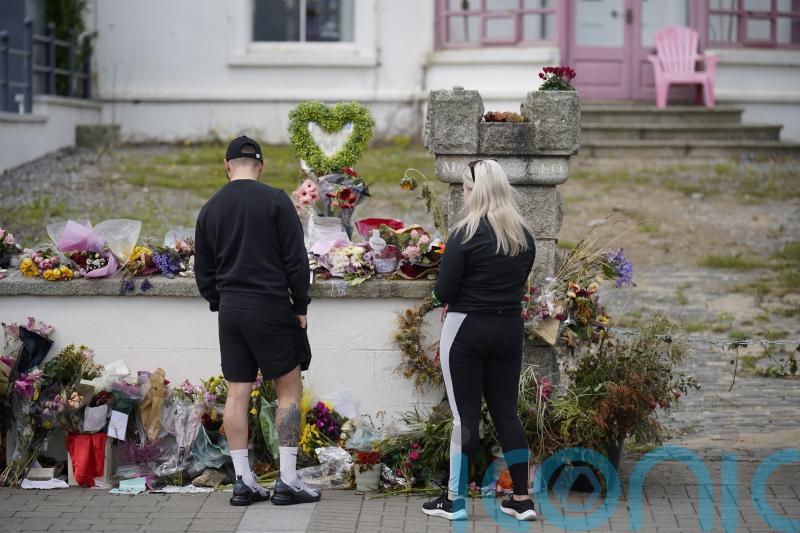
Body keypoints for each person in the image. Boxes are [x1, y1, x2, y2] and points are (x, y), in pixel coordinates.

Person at [194, 136, 320, 506]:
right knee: (288, 392)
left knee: (236, 392)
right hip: (270, 307)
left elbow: (204, 272)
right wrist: (301, 305)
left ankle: (244, 481)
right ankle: (288, 480)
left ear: (227, 164)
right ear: (261, 166)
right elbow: (296, 261)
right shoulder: (277, 200)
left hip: (231, 310)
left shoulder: (211, 208)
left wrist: (220, 300)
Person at [421, 159, 538, 522]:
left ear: (478, 191)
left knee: (465, 417)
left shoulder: (464, 234)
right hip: (508, 330)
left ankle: (455, 501)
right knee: (506, 413)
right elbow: (519, 285)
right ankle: (521, 500)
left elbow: (444, 290)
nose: (464, 195)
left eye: (466, 188)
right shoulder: (523, 235)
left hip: (467, 329)